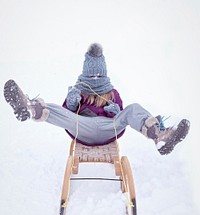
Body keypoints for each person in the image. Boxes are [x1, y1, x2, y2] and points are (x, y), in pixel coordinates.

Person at [3, 43, 190, 155]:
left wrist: (117, 111)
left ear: (104, 75)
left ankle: (160, 136)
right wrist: (72, 103)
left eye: (97, 76)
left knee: (133, 109)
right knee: (53, 108)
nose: (94, 80)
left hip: (110, 129)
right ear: (85, 74)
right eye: (91, 76)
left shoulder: (113, 93)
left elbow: (125, 115)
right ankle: (28, 108)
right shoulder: (77, 90)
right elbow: (66, 118)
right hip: (81, 127)